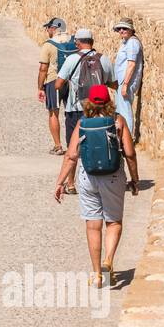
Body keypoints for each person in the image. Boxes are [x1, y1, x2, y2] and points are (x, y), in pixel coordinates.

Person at [53, 84, 140, 288]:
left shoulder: (83, 122)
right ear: (109, 102)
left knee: (93, 225)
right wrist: (134, 179)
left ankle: (97, 274)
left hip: (87, 177)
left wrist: (60, 182)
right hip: (113, 177)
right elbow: (129, 153)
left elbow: (71, 155)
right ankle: (108, 260)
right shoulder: (118, 121)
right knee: (113, 222)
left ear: (89, 102)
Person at [55, 28, 115, 191]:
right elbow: (113, 83)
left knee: (73, 146)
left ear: (77, 42)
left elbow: (58, 84)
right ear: (92, 41)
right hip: (99, 109)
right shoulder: (104, 59)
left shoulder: (72, 59)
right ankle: (101, 174)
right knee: (100, 140)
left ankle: (71, 184)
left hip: (76, 108)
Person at [38, 17, 75, 155]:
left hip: (54, 81)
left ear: (53, 28)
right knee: (72, 112)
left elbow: (43, 68)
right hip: (71, 81)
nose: (47, 30)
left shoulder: (48, 45)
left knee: (53, 112)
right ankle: (74, 144)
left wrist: (40, 87)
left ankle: (58, 146)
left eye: (48, 27)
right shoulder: (73, 41)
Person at [112, 18, 143, 140]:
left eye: (124, 28)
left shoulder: (132, 43)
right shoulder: (126, 42)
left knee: (125, 110)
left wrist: (125, 84)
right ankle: (123, 138)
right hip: (122, 82)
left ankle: (128, 138)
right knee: (121, 110)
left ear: (131, 29)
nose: (121, 31)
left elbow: (132, 64)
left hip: (127, 82)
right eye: (119, 28)